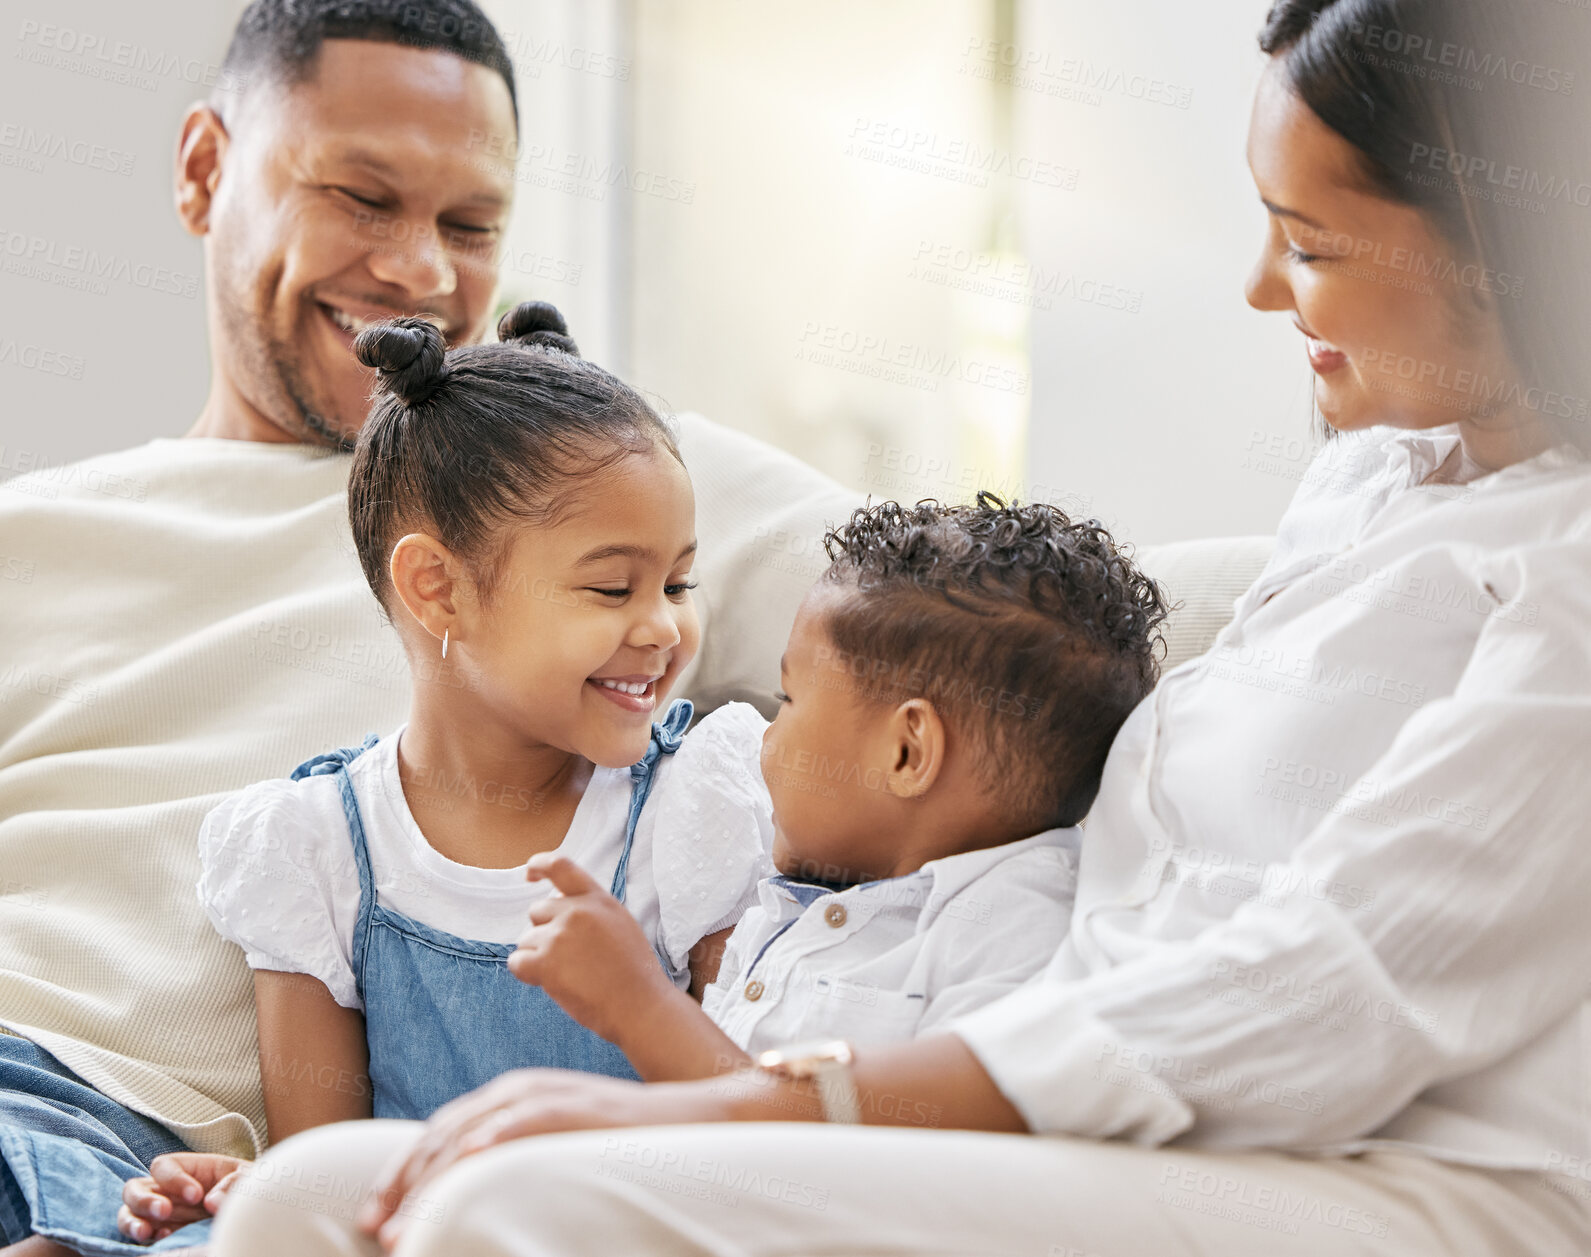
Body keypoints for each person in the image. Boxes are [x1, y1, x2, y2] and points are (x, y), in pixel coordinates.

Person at [209, 1, 1591, 1253]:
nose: (1257, 288)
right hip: (1109, 1105)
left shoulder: (1563, 573)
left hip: (1367, 1166)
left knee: (514, 1203)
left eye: (1307, 242)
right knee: (313, 1198)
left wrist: (778, 1113)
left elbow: (1321, 993)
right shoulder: (1384, 473)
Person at [0, 2, 857, 1255]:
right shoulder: (33, 533)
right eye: (361, 196)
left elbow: (962, 603)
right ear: (203, 171)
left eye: (471, 225)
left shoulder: (592, 477)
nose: (420, 273)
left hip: (151, 1161)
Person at [103, 304, 775, 1246]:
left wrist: (640, 1001)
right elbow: (327, 1172)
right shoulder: (317, 845)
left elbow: (761, 1138)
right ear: (437, 587)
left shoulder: (691, 802)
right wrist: (252, 1192)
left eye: (678, 584)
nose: (664, 627)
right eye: (613, 587)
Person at [497, 497, 1169, 1085]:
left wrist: (639, 1007)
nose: (765, 738)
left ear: (906, 752)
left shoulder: (1016, 934)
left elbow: (854, 1157)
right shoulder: (784, 905)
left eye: (788, 699)